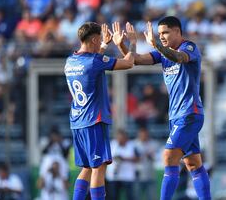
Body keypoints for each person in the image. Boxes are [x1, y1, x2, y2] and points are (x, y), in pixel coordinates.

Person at [112, 16, 211, 200]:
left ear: (177, 31)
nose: (162, 36)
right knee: (193, 163)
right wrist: (126, 44)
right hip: (176, 116)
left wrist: (156, 45)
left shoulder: (189, 47)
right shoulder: (162, 53)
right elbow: (135, 60)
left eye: (165, 32)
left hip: (189, 113)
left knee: (168, 157)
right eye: (159, 34)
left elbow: (180, 58)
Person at [65, 22, 135, 200]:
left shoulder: (70, 61)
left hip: (77, 120)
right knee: (99, 167)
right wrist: (130, 43)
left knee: (87, 168)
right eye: (99, 40)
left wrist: (104, 45)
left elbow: (92, 65)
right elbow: (128, 63)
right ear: (95, 39)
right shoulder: (95, 61)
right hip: (94, 120)